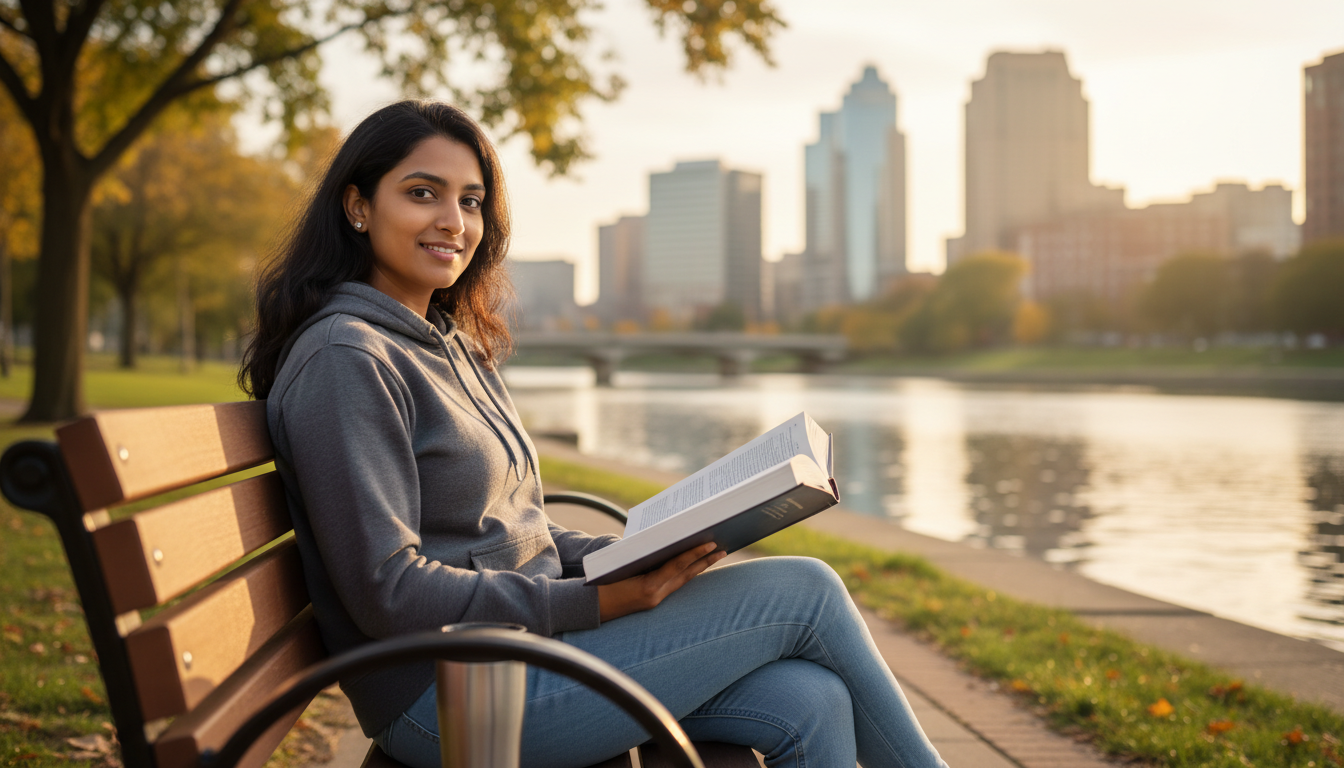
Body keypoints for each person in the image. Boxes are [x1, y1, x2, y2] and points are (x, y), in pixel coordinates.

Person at [240, 100, 948, 768]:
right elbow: (387, 590)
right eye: (422, 193)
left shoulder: (445, 340)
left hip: (524, 655)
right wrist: (595, 600)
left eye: (470, 200)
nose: (452, 220)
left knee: (811, 699)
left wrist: (627, 555)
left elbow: (505, 533)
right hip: (449, 698)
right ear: (358, 206)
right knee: (808, 591)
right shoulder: (348, 358)